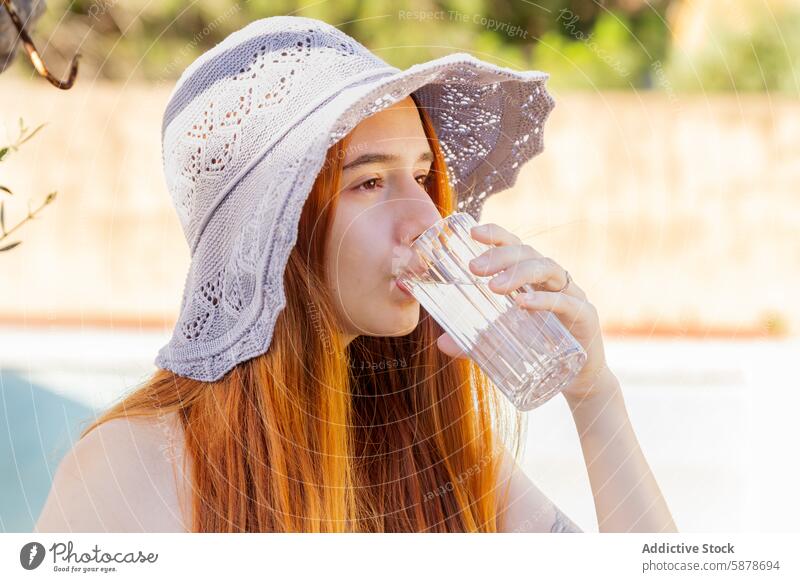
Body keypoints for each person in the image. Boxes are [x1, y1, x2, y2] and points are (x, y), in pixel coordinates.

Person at [35, 15, 676, 533]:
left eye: (422, 175)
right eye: (369, 181)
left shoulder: (428, 450)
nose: (426, 216)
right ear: (272, 236)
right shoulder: (133, 467)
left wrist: (596, 399)